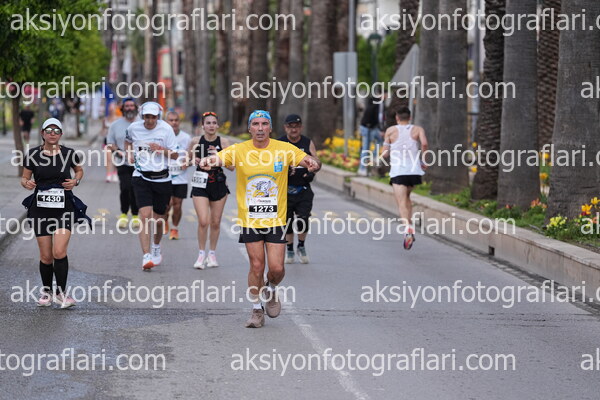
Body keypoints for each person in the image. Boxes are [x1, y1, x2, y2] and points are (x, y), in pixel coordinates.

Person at [198, 110, 321, 328]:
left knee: (277, 268)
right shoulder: (240, 150)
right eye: (256, 124)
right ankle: (256, 309)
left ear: (270, 128)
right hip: (251, 219)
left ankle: (271, 289)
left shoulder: (284, 149)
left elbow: (308, 160)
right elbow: (220, 158)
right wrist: (209, 160)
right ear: (250, 128)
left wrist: (313, 163)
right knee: (256, 266)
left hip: (276, 219)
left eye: (265, 124)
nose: (260, 128)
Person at [21, 118, 89, 308]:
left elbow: (79, 171)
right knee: (46, 256)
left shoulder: (69, 153)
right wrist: (27, 183)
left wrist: (75, 181)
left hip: (64, 208)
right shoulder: (33, 154)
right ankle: (47, 292)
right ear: (42, 133)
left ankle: (61, 293)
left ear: (61, 134)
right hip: (40, 209)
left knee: (59, 251)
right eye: (49, 130)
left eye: (56, 130)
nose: (52, 133)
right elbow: (24, 178)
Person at [125, 102, 179, 270]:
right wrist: (129, 154)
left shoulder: (166, 129)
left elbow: (175, 155)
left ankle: (156, 246)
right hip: (141, 177)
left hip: (162, 178)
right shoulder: (134, 128)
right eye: (147, 117)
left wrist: (161, 149)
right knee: (144, 215)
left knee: (159, 220)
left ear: (158, 116)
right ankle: (146, 255)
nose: (149, 120)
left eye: (153, 117)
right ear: (142, 116)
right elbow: (127, 141)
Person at [188, 111, 232, 268]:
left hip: (218, 182)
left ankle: (212, 254)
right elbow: (186, 160)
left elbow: (232, 166)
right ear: (203, 126)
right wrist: (193, 160)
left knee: (215, 222)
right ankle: (201, 254)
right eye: (208, 123)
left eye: (214, 123)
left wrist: (219, 156)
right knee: (203, 221)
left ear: (218, 125)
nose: (211, 126)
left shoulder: (224, 142)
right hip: (200, 182)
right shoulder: (195, 141)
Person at [381, 107, 428, 250]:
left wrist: (378, 156)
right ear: (410, 117)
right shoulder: (418, 129)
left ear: (397, 117)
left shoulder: (390, 131)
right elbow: (424, 144)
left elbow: (385, 153)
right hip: (414, 171)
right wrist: (424, 160)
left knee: (401, 202)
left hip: (398, 171)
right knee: (407, 198)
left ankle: (407, 229)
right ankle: (410, 227)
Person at [278, 114, 318, 264]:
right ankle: (289, 248)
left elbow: (316, 160)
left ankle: (301, 245)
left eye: (296, 126)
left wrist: (312, 172)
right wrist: (284, 170)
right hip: (285, 190)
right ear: (285, 127)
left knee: (303, 219)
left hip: (303, 189)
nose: (293, 129)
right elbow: (272, 164)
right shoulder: (280, 143)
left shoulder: (307, 142)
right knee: (287, 222)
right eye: (290, 126)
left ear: (301, 127)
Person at [106, 98, 140, 229]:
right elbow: (110, 143)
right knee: (125, 188)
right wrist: (119, 151)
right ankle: (124, 214)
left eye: (132, 106)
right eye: (127, 106)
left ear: (135, 108)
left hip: (140, 163)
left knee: (136, 189)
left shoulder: (142, 123)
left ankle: (136, 215)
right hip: (122, 162)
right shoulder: (115, 125)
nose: (129, 108)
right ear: (123, 108)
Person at [164, 111, 192, 240]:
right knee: (167, 205)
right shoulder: (163, 136)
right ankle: (165, 221)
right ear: (166, 122)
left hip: (181, 177)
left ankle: (174, 228)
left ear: (179, 122)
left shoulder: (186, 137)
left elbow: (191, 156)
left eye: (176, 120)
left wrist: (187, 162)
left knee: (177, 204)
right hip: (165, 176)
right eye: (171, 120)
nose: (174, 123)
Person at [358, 95, 385, 176]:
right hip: (367, 127)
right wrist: (381, 129)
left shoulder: (378, 102)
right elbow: (377, 117)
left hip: (372, 127)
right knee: (366, 148)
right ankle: (362, 169)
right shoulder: (377, 103)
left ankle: (375, 156)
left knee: (380, 139)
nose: (387, 96)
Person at [102, 102, 119, 182]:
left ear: (115, 109)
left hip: (115, 142)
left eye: (113, 108)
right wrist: (103, 132)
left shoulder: (118, 119)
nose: (111, 110)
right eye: (110, 108)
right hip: (107, 141)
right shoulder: (105, 119)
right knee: (108, 158)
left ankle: (115, 173)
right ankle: (108, 175)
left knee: (115, 159)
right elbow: (103, 129)